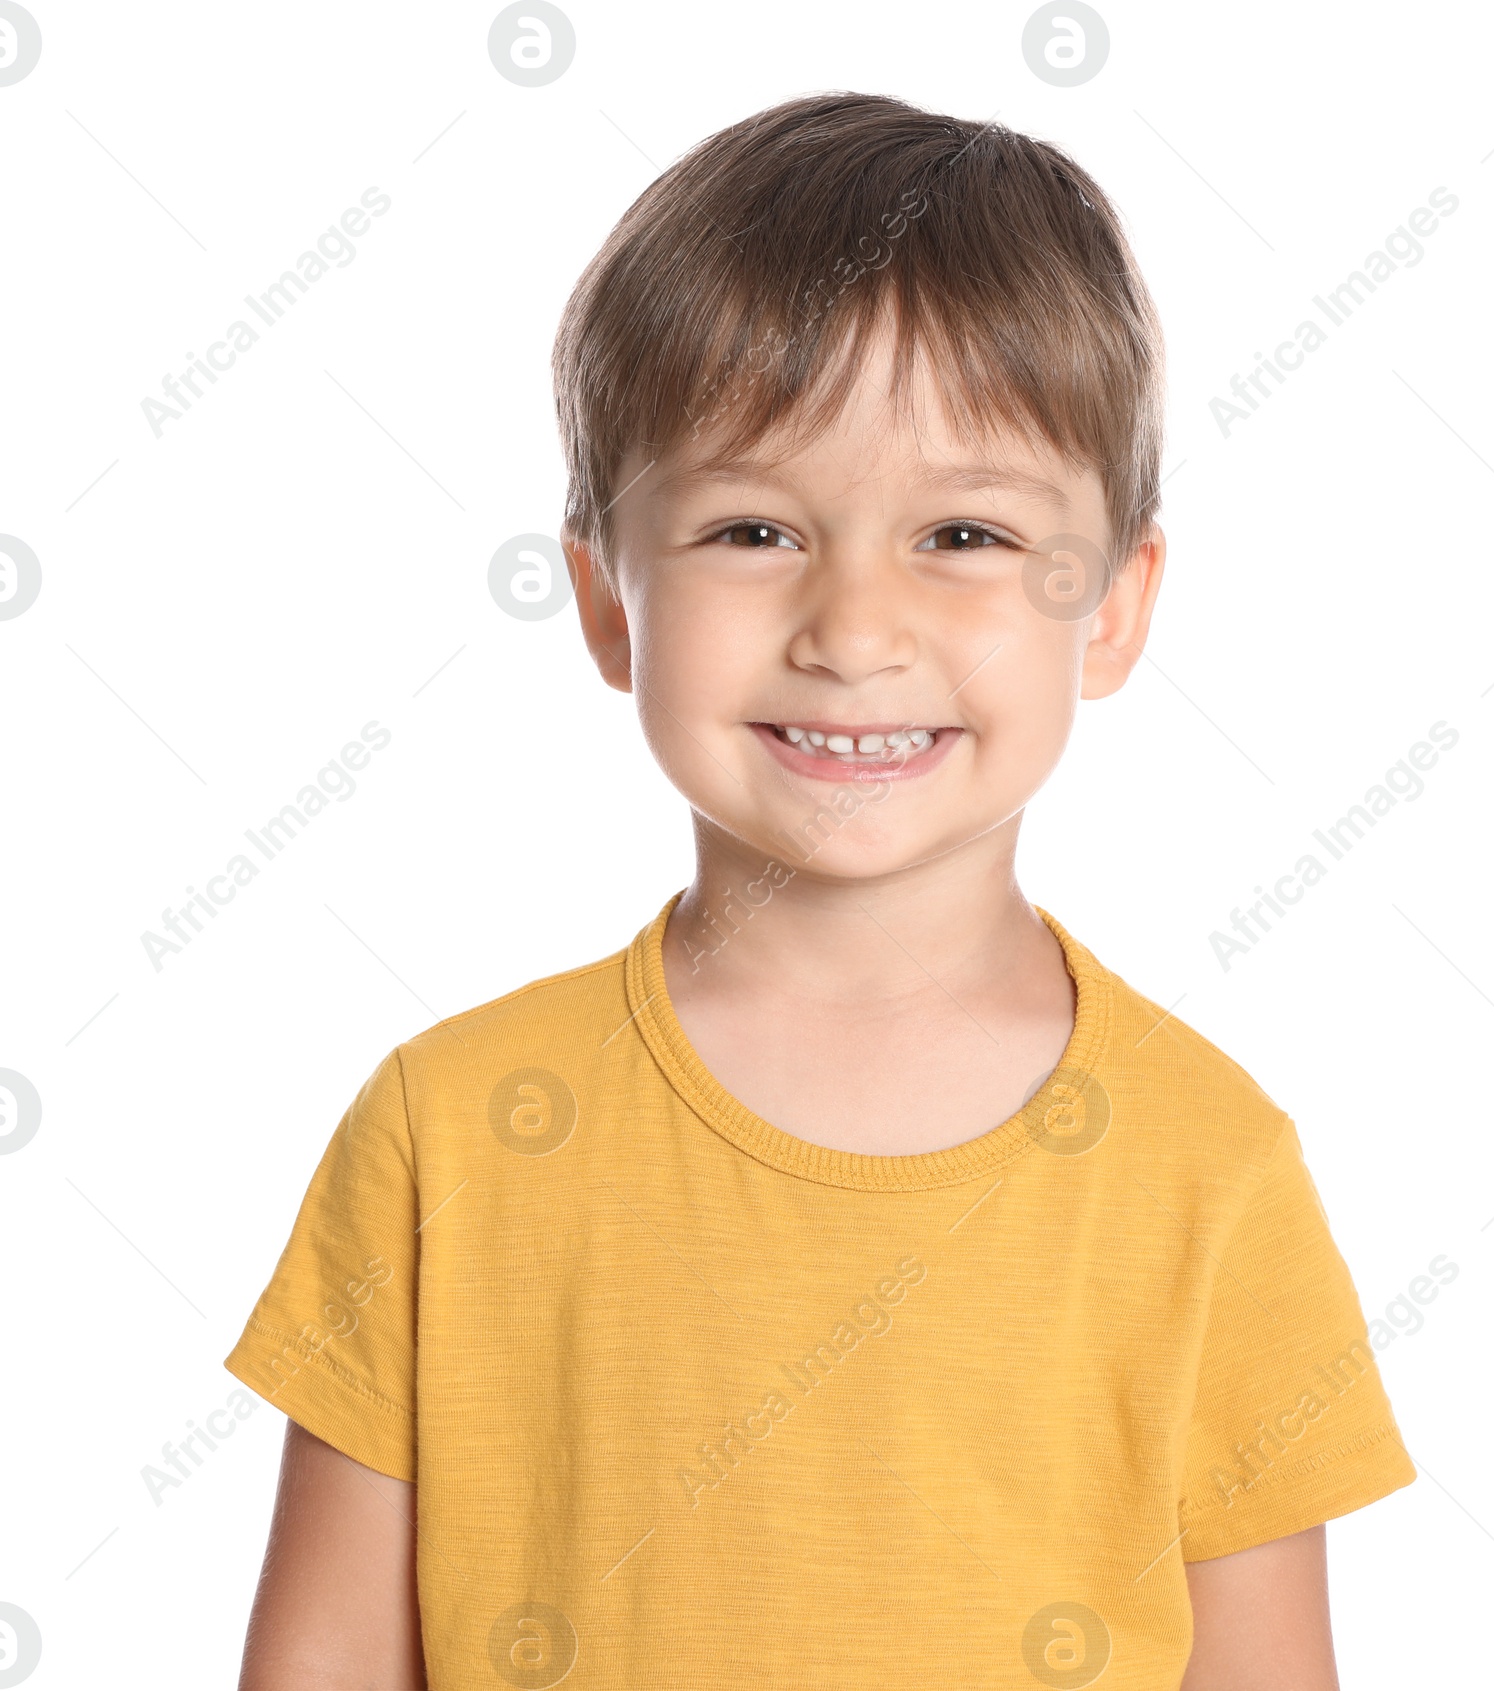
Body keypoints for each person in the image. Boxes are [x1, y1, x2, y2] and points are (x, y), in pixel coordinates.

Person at [225, 91, 1414, 1690]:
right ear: (604, 601)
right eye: (754, 526)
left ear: (1116, 607)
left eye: (966, 531)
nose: (854, 626)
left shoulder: (1214, 1169)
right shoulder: (449, 1130)